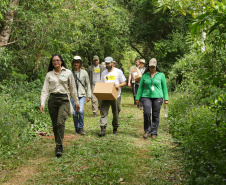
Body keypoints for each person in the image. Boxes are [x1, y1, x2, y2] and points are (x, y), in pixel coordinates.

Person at [40, 54, 80, 157]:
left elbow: (73, 88)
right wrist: (42, 103)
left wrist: (76, 102)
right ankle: (58, 144)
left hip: (64, 100)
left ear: (61, 61)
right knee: (54, 124)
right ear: (52, 62)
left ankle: (59, 145)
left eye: (58, 60)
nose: (56, 62)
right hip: (53, 100)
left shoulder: (68, 73)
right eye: (54, 60)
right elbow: (45, 90)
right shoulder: (49, 74)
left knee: (60, 123)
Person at [135, 58, 168, 139]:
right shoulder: (145, 75)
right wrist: (137, 98)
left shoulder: (161, 75)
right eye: (150, 67)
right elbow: (140, 88)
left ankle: (154, 132)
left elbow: (164, 88)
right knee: (146, 113)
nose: (152, 68)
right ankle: (147, 130)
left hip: (158, 97)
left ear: (156, 66)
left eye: (153, 67)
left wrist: (166, 98)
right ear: (148, 67)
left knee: (155, 115)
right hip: (146, 96)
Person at [98, 56, 127, 137]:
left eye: (108, 63)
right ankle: (103, 129)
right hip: (106, 96)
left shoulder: (118, 72)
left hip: (116, 96)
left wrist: (119, 85)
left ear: (112, 63)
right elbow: (102, 84)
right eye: (106, 64)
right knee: (103, 112)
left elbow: (124, 82)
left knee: (116, 113)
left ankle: (115, 128)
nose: (107, 65)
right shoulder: (103, 73)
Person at [71, 56, 91, 135]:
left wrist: (88, 95)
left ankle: (81, 128)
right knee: (75, 113)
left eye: (78, 62)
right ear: (73, 63)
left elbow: (88, 84)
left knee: (80, 111)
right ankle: (77, 128)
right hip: (73, 96)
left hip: (81, 95)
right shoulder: (70, 72)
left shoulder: (84, 72)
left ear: (80, 63)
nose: (76, 64)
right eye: (75, 62)